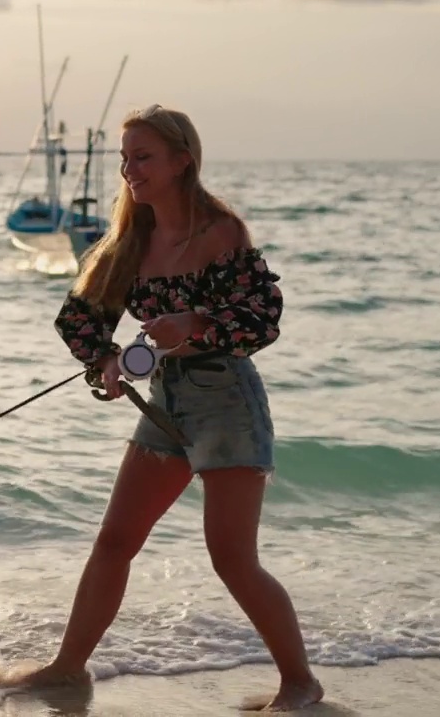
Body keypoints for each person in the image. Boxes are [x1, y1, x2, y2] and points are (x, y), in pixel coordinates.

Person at [27, 104, 322, 711]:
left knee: (233, 559)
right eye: (125, 158)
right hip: (165, 404)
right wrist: (105, 361)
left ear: (182, 160)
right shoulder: (129, 240)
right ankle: (66, 669)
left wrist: (198, 321)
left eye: (144, 157)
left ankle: (301, 683)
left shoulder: (220, 232)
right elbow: (78, 319)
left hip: (227, 405)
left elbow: (261, 320)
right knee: (114, 542)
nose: (130, 169)